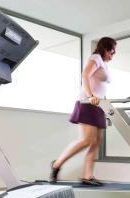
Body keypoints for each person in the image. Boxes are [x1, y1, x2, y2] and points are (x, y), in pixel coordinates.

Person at [50, 37, 117, 186]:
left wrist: (105, 105)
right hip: (88, 103)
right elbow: (85, 75)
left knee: (97, 141)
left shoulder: (104, 65)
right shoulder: (96, 58)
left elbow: (101, 86)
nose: (112, 56)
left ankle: (87, 176)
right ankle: (56, 165)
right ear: (105, 49)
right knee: (86, 140)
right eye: (111, 52)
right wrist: (90, 96)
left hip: (98, 105)